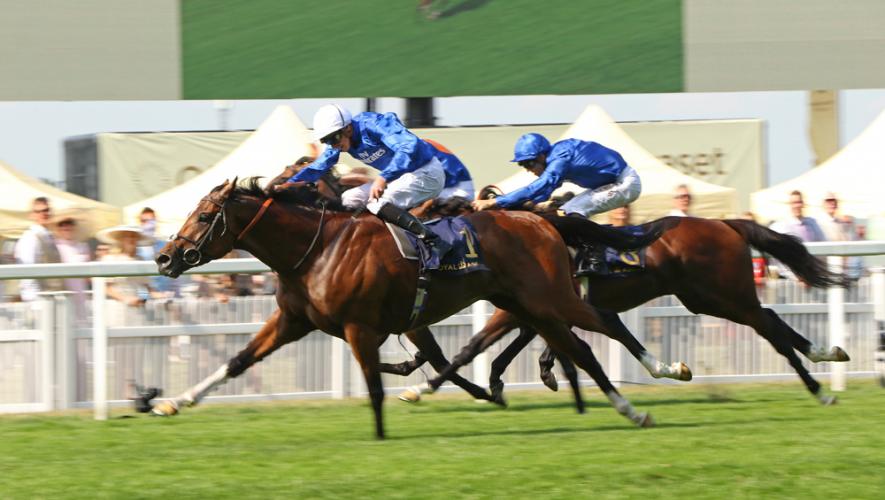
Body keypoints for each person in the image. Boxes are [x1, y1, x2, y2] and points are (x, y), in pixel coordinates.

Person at [279, 104, 451, 261]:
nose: (333, 145)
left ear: (347, 128)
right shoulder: (340, 139)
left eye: (334, 138)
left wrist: (383, 177)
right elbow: (318, 167)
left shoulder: (374, 124)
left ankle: (434, 241)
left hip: (426, 173)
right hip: (399, 178)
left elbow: (409, 146)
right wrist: (289, 185)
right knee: (349, 198)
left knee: (378, 203)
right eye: (327, 141)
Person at [472, 133, 641, 273]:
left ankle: (595, 258)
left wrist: (495, 202)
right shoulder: (556, 156)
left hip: (625, 183)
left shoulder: (560, 158)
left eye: (529, 163)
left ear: (542, 155)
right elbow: (543, 193)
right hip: (610, 183)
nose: (528, 169)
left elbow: (538, 187)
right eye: (522, 164)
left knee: (570, 210)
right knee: (565, 209)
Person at [14, 197, 63, 301]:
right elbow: (27, 273)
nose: (43, 214)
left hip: (52, 298)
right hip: (38, 300)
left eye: (46, 210)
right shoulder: (30, 238)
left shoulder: (49, 236)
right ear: (31, 215)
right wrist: (34, 301)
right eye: (38, 211)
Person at [769, 190, 826, 280]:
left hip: (810, 276)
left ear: (803, 204)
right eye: (794, 203)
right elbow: (774, 254)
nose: (797, 206)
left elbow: (823, 246)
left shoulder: (813, 223)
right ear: (790, 205)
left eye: (799, 202)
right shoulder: (779, 226)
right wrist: (794, 275)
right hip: (789, 279)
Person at [97, 225, 154, 308]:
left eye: (134, 237)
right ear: (121, 240)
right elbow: (106, 288)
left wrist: (142, 299)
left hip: (136, 309)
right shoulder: (110, 259)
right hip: (115, 308)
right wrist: (125, 299)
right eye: (128, 237)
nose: (131, 239)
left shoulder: (141, 261)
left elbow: (144, 286)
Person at [53, 214, 91, 318]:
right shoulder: (54, 247)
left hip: (80, 295)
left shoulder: (83, 247)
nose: (66, 227)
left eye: (69, 223)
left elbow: (88, 276)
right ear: (58, 228)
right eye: (62, 224)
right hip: (62, 294)